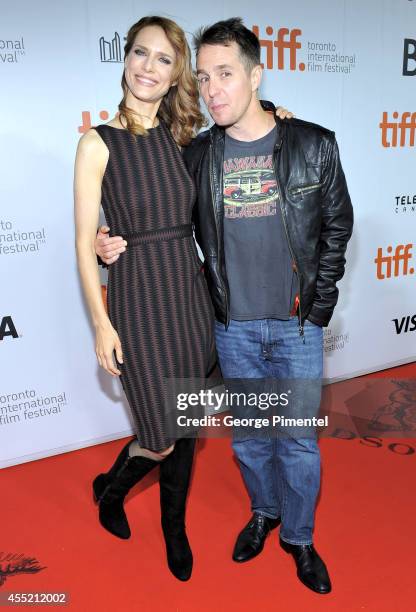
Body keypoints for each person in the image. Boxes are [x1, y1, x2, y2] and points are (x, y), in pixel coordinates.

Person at [74, 16, 217, 582]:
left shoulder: (181, 136)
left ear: (176, 71)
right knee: (158, 439)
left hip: (188, 295)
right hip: (139, 300)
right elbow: (86, 247)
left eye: (163, 59)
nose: (149, 67)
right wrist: (101, 326)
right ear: (125, 58)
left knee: (185, 427)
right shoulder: (96, 143)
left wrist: (275, 112)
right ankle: (112, 492)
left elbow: (241, 135)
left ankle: (173, 529)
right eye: (140, 53)